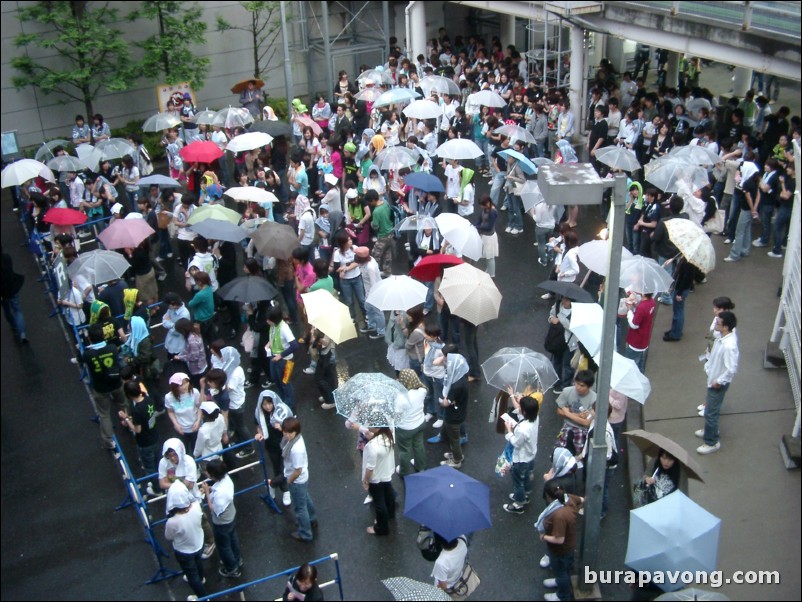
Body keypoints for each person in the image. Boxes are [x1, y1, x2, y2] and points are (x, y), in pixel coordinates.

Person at [696, 311, 739, 454]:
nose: (715, 324)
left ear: (725, 327)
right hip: (713, 378)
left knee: (711, 413)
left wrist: (719, 381)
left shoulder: (729, 346)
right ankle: (710, 430)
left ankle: (711, 441)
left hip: (717, 382)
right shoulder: (722, 338)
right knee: (710, 408)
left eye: (718, 323)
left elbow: (731, 369)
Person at [82, 323, 127, 451]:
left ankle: (109, 440)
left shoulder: (87, 354)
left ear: (89, 338)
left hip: (100, 388)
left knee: (104, 414)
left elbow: (81, 360)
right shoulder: (112, 348)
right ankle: (128, 422)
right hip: (116, 383)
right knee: (123, 404)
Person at [538, 480, 583, 602]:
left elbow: (559, 539)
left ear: (548, 496)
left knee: (561, 572)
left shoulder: (559, 515)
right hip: (570, 544)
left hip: (560, 550)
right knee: (564, 569)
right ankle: (559, 581)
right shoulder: (569, 499)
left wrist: (544, 537)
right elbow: (582, 500)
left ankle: (562, 595)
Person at [200, 459, 243, 578]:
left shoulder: (219, 493)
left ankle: (232, 568)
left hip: (222, 522)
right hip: (231, 515)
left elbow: (213, 508)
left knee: (224, 546)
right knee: (233, 538)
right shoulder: (226, 479)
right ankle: (237, 559)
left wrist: (207, 493)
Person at [164, 481, 207, 599]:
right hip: (199, 542)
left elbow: (168, 536)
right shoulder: (196, 506)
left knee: (191, 575)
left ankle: (202, 596)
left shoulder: (173, 521)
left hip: (184, 551)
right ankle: (202, 578)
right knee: (198, 563)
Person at [119, 380, 161, 497]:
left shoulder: (136, 409)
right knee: (158, 463)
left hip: (145, 442)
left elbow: (137, 430)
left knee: (150, 468)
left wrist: (126, 419)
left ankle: (157, 488)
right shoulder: (148, 400)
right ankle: (162, 483)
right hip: (155, 435)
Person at [502, 393, 541, 514]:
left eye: (520, 407)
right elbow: (521, 416)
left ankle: (519, 504)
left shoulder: (522, 429)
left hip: (521, 459)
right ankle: (526, 494)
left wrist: (509, 431)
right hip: (531, 456)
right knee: (527, 477)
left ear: (524, 411)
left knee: (518, 482)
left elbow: (516, 443)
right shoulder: (535, 418)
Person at [254, 389, 294, 506]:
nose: (267, 407)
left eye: (269, 403)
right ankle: (284, 490)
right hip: (271, 446)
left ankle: (273, 485)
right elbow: (257, 424)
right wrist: (259, 433)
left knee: (288, 470)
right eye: (264, 404)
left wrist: (281, 427)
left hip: (285, 444)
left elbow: (292, 428)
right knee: (277, 468)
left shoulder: (282, 410)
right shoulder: (259, 412)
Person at [281, 417, 318, 542]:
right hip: (302, 479)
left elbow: (297, 470)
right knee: (305, 499)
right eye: (284, 432)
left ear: (295, 431)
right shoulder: (297, 439)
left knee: (300, 508)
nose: (286, 435)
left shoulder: (295, 449)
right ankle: (312, 519)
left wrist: (289, 480)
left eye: (289, 432)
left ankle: (305, 533)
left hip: (296, 480)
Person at [439, 346, 470, 469]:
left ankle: (457, 460)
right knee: (454, 437)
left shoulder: (456, 386)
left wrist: (442, 402)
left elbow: (446, 403)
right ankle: (458, 454)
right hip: (460, 412)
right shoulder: (462, 377)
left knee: (454, 439)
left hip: (454, 416)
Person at [362, 427, 396, 536]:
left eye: (372, 425)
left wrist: (366, 480)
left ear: (377, 428)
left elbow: (370, 467)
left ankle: (381, 528)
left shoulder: (372, 446)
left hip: (376, 478)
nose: (369, 427)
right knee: (389, 493)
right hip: (386, 473)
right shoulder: (389, 436)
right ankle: (391, 514)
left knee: (379, 504)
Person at [555, 370, 596, 457]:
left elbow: (586, 422)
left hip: (582, 430)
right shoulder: (567, 391)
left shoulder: (594, 399)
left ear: (589, 386)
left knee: (577, 456)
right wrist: (577, 416)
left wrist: (567, 413)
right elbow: (558, 411)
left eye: (582, 385)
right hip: (567, 427)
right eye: (576, 383)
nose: (578, 387)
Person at [265, 306, 298, 410]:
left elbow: (295, 345)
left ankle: (290, 407)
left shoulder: (284, 328)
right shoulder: (274, 326)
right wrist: (270, 342)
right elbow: (275, 336)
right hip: (274, 358)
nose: (267, 321)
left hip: (286, 361)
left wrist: (280, 356)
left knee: (285, 383)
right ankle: (282, 401)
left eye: (269, 320)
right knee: (277, 380)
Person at [395, 369, 427, 477]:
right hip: (420, 423)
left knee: (405, 450)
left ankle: (404, 471)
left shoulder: (400, 397)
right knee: (419, 445)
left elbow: (397, 416)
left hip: (405, 428)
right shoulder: (422, 390)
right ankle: (420, 466)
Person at [164, 372, 203, 451]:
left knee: (196, 450)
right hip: (181, 429)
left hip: (195, 427)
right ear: (175, 387)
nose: (185, 386)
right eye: (181, 385)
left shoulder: (194, 392)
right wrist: (176, 424)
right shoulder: (169, 397)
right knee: (182, 450)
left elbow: (199, 407)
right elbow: (170, 412)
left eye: (186, 383)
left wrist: (198, 421)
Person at [1, 247, 28, 344]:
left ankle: (13, 325)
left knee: (6, 309)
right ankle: (23, 334)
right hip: (12, 288)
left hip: (2, 292)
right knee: (17, 310)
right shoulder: (7, 258)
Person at [624, 292, 655, 373]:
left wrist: (629, 310)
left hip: (636, 341)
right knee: (640, 363)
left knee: (629, 365)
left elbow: (634, 325)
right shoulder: (652, 302)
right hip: (644, 339)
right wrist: (636, 306)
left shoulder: (642, 307)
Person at [367, 190, 394, 277]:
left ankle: (374, 274)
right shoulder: (386, 203)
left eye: (369, 201)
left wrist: (371, 224)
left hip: (382, 235)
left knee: (375, 255)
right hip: (390, 232)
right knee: (388, 253)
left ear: (373, 200)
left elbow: (375, 226)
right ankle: (387, 271)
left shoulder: (376, 211)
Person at [475, 195, 498, 277]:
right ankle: (489, 269)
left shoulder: (493, 212)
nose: (481, 207)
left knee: (490, 256)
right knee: (488, 255)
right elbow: (479, 219)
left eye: (482, 205)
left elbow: (489, 226)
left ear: (487, 203)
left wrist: (477, 227)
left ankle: (491, 274)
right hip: (484, 235)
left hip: (489, 237)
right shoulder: (485, 209)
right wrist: (476, 225)